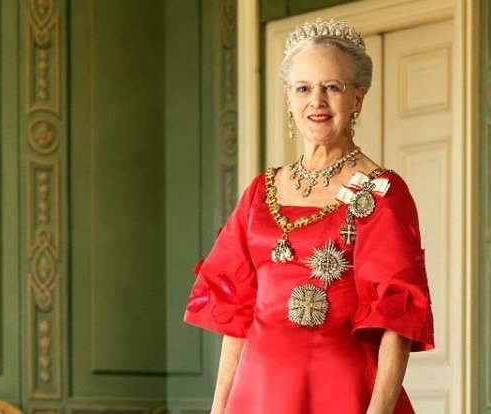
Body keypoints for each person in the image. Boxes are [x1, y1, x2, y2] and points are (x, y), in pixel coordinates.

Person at [184, 18, 434, 414]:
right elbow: (237, 318)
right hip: (258, 393)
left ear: (358, 97)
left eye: (332, 87)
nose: (316, 101)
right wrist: (219, 409)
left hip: (343, 392)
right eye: (303, 88)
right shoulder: (260, 191)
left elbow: (396, 322)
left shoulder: (381, 191)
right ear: (288, 99)